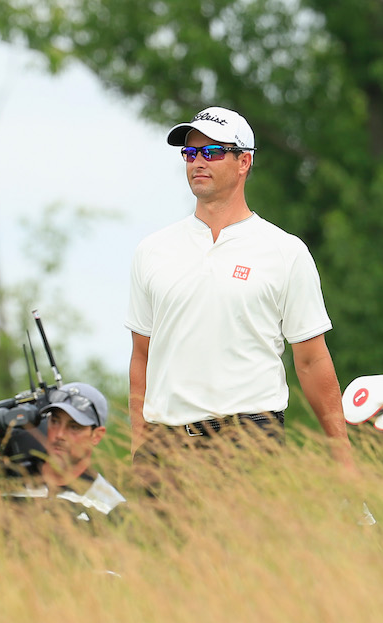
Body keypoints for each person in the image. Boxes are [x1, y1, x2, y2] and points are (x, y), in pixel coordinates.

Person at [126, 106, 352, 473]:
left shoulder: (285, 251)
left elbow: (311, 361)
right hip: (165, 448)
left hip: (249, 442)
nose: (198, 161)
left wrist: (343, 458)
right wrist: (140, 445)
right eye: (190, 153)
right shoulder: (152, 250)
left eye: (212, 152)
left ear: (244, 161)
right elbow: (141, 356)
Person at [0, 382, 125, 521]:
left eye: (74, 427)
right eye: (55, 422)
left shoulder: (110, 506)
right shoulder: (9, 482)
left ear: (97, 436)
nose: (60, 434)